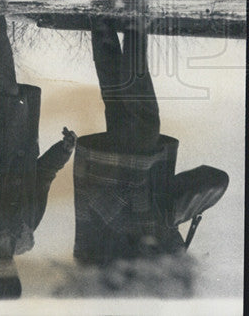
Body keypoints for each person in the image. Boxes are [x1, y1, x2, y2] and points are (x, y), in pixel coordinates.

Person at [74, 17, 229, 266]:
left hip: (134, 169)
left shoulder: (156, 240)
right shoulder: (103, 268)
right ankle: (100, 19)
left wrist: (182, 223)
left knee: (139, 105)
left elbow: (215, 179)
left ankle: (135, 22)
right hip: (103, 171)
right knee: (115, 97)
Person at [0, 15, 75, 299]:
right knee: (9, 86)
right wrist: (64, 150)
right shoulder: (26, 231)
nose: (7, 270)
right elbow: (42, 177)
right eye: (12, 276)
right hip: (19, 141)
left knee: (5, 88)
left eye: (1, 278)